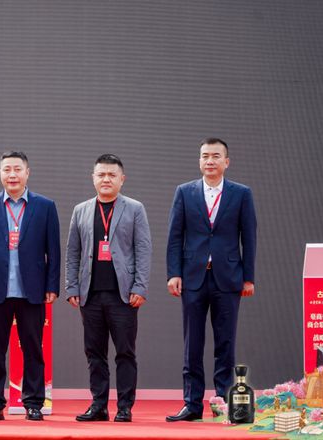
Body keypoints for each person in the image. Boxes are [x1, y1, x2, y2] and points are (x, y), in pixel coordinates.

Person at [165, 138, 257, 422]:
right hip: (193, 277)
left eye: (216, 156)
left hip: (228, 278)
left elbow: (249, 237)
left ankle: (223, 403)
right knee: (192, 344)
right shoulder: (185, 192)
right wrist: (174, 273)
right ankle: (192, 404)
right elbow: (175, 236)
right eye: (205, 156)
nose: (210, 161)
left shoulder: (241, 194)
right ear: (199, 160)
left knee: (225, 343)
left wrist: (248, 277)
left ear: (226, 162)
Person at [0, 151, 60, 421]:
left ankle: (33, 403)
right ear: (0, 173)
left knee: (33, 349)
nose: (12, 175)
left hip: (32, 290)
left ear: (27, 173)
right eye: (7, 169)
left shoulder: (45, 206)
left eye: (17, 169)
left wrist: (52, 285)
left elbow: (53, 251)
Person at [65, 154, 152, 423]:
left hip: (123, 295)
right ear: (93, 178)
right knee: (94, 353)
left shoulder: (135, 208)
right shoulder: (81, 210)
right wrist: (71, 287)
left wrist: (140, 286)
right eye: (101, 174)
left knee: (125, 352)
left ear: (121, 179)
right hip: (90, 294)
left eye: (112, 175)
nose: (106, 179)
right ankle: (99, 405)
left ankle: (124, 407)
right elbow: (72, 252)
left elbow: (143, 250)